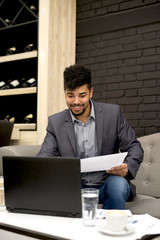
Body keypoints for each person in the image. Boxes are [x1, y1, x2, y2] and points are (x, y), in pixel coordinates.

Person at [37, 64, 144, 209]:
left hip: (109, 183)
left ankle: (110, 228)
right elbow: (44, 158)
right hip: (74, 187)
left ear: (91, 92)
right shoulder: (56, 123)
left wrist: (127, 167)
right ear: (65, 93)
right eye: (70, 95)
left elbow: (134, 147)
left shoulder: (112, 114)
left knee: (117, 185)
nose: (76, 102)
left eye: (82, 95)